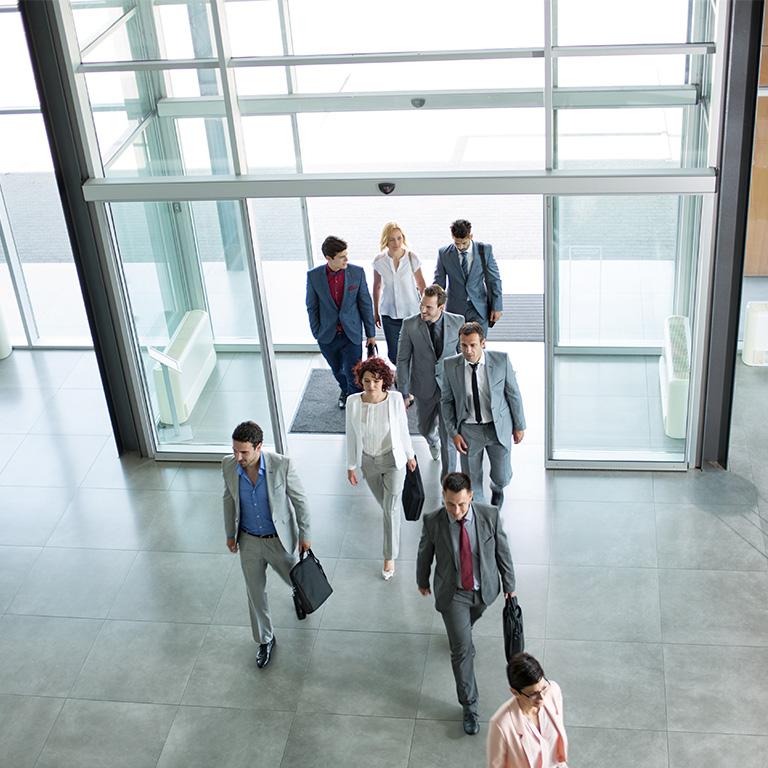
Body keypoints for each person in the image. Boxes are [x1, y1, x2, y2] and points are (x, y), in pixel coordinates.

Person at [417, 472, 516, 736]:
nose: (456, 510)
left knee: (470, 622)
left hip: (484, 591)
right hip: (453, 594)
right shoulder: (433, 521)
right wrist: (422, 580)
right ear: (444, 498)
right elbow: (424, 552)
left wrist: (510, 586)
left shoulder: (489, 516)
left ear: (470, 496)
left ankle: (463, 628)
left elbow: (502, 552)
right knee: (461, 650)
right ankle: (469, 706)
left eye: (461, 504)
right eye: (450, 504)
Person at [222, 421, 311, 669]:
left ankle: (297, 594)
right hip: (249, 540)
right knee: (255, 592)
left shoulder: (282, 465)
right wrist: (230, 534)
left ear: (259, 447)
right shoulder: (228, 465)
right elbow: (228, 498)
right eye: (234, 450)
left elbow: (300, 501)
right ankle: (265, 640)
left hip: (278, 541)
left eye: (244, 452)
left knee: (296, 579)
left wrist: (305, 534)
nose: (238, 457)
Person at [346, 356, 416, 580]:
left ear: (383, 381)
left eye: (376, 381)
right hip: (369, 463)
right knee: (387, 506)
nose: (371, 385)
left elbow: (403, 429)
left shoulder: (395, 399)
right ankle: (393, 525)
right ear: (361, 381)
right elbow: (351, 435)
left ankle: (389, 556)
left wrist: (410, 454)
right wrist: (351, 465)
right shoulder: (353, 402)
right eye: (367, 381)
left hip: (394, 461)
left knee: (390, 509)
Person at [441, 322, 525, 507]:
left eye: (473, 345)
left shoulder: (501, 361)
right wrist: (454, 433)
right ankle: (480, 514)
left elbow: (513, 394)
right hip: (469, 430)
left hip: (497, 427)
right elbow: (446, 402)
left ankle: (497, 488)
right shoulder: (450, 365)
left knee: (502, 475)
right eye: (464, 345)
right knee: (471, 480)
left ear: (483, 343)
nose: (468, 350)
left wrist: (519, 426)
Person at [396, 283, 464, 478]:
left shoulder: (458, 322)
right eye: (422, 305)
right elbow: (402, 359)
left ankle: (448, 483)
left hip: (449, 390)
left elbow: (462, 357)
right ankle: (432, 441)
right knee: (424, 428)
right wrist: (404, 392)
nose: (423, 310)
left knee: (449, 438)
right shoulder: (410, 324)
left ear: (441, 308)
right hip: (423, 387)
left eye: (428, 307)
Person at [306, 235, 376, 409]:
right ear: (329, 258)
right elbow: (311, 307)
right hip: (327, 335)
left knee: (353, 371)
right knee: (338, 370)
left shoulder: (357, 273)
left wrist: (371, 334)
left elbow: (365, 303)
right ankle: (344, 390)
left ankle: (354, 402)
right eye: (342, 257)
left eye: (347, 255)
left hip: (351, 333)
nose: (347, 259)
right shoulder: (314, 276)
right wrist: (317, 333)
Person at [487, 653, 568, 768]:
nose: (542, 698)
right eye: (533, 694)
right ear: (515, 692)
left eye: (543, 688)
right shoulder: (501, 724)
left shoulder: (553, 691)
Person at [434, 218, 503, 337]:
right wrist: (435, 306)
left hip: (479, 308)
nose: (460, 247)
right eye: (457, 243)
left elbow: (493, 279)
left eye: (464, 243)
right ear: (452, 236)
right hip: (455, 309)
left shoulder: (484, 250)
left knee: (477, 347)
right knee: (459, 348)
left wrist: (497, 307)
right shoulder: (444, 253)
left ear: (471, 236)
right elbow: (439, 284)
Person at [372, 221, 427, 364]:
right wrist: (376, 311)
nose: (396, 242)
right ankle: (402, 375)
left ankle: (412, 378)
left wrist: (427, 308)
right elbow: (377, 286)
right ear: (386, 240)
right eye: (392, 239)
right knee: (394, 353)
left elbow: (421, 285)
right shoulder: (379, 261)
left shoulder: (412, 258)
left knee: (415, 349)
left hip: (412, 313)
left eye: (399, 238)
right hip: (389, 314)